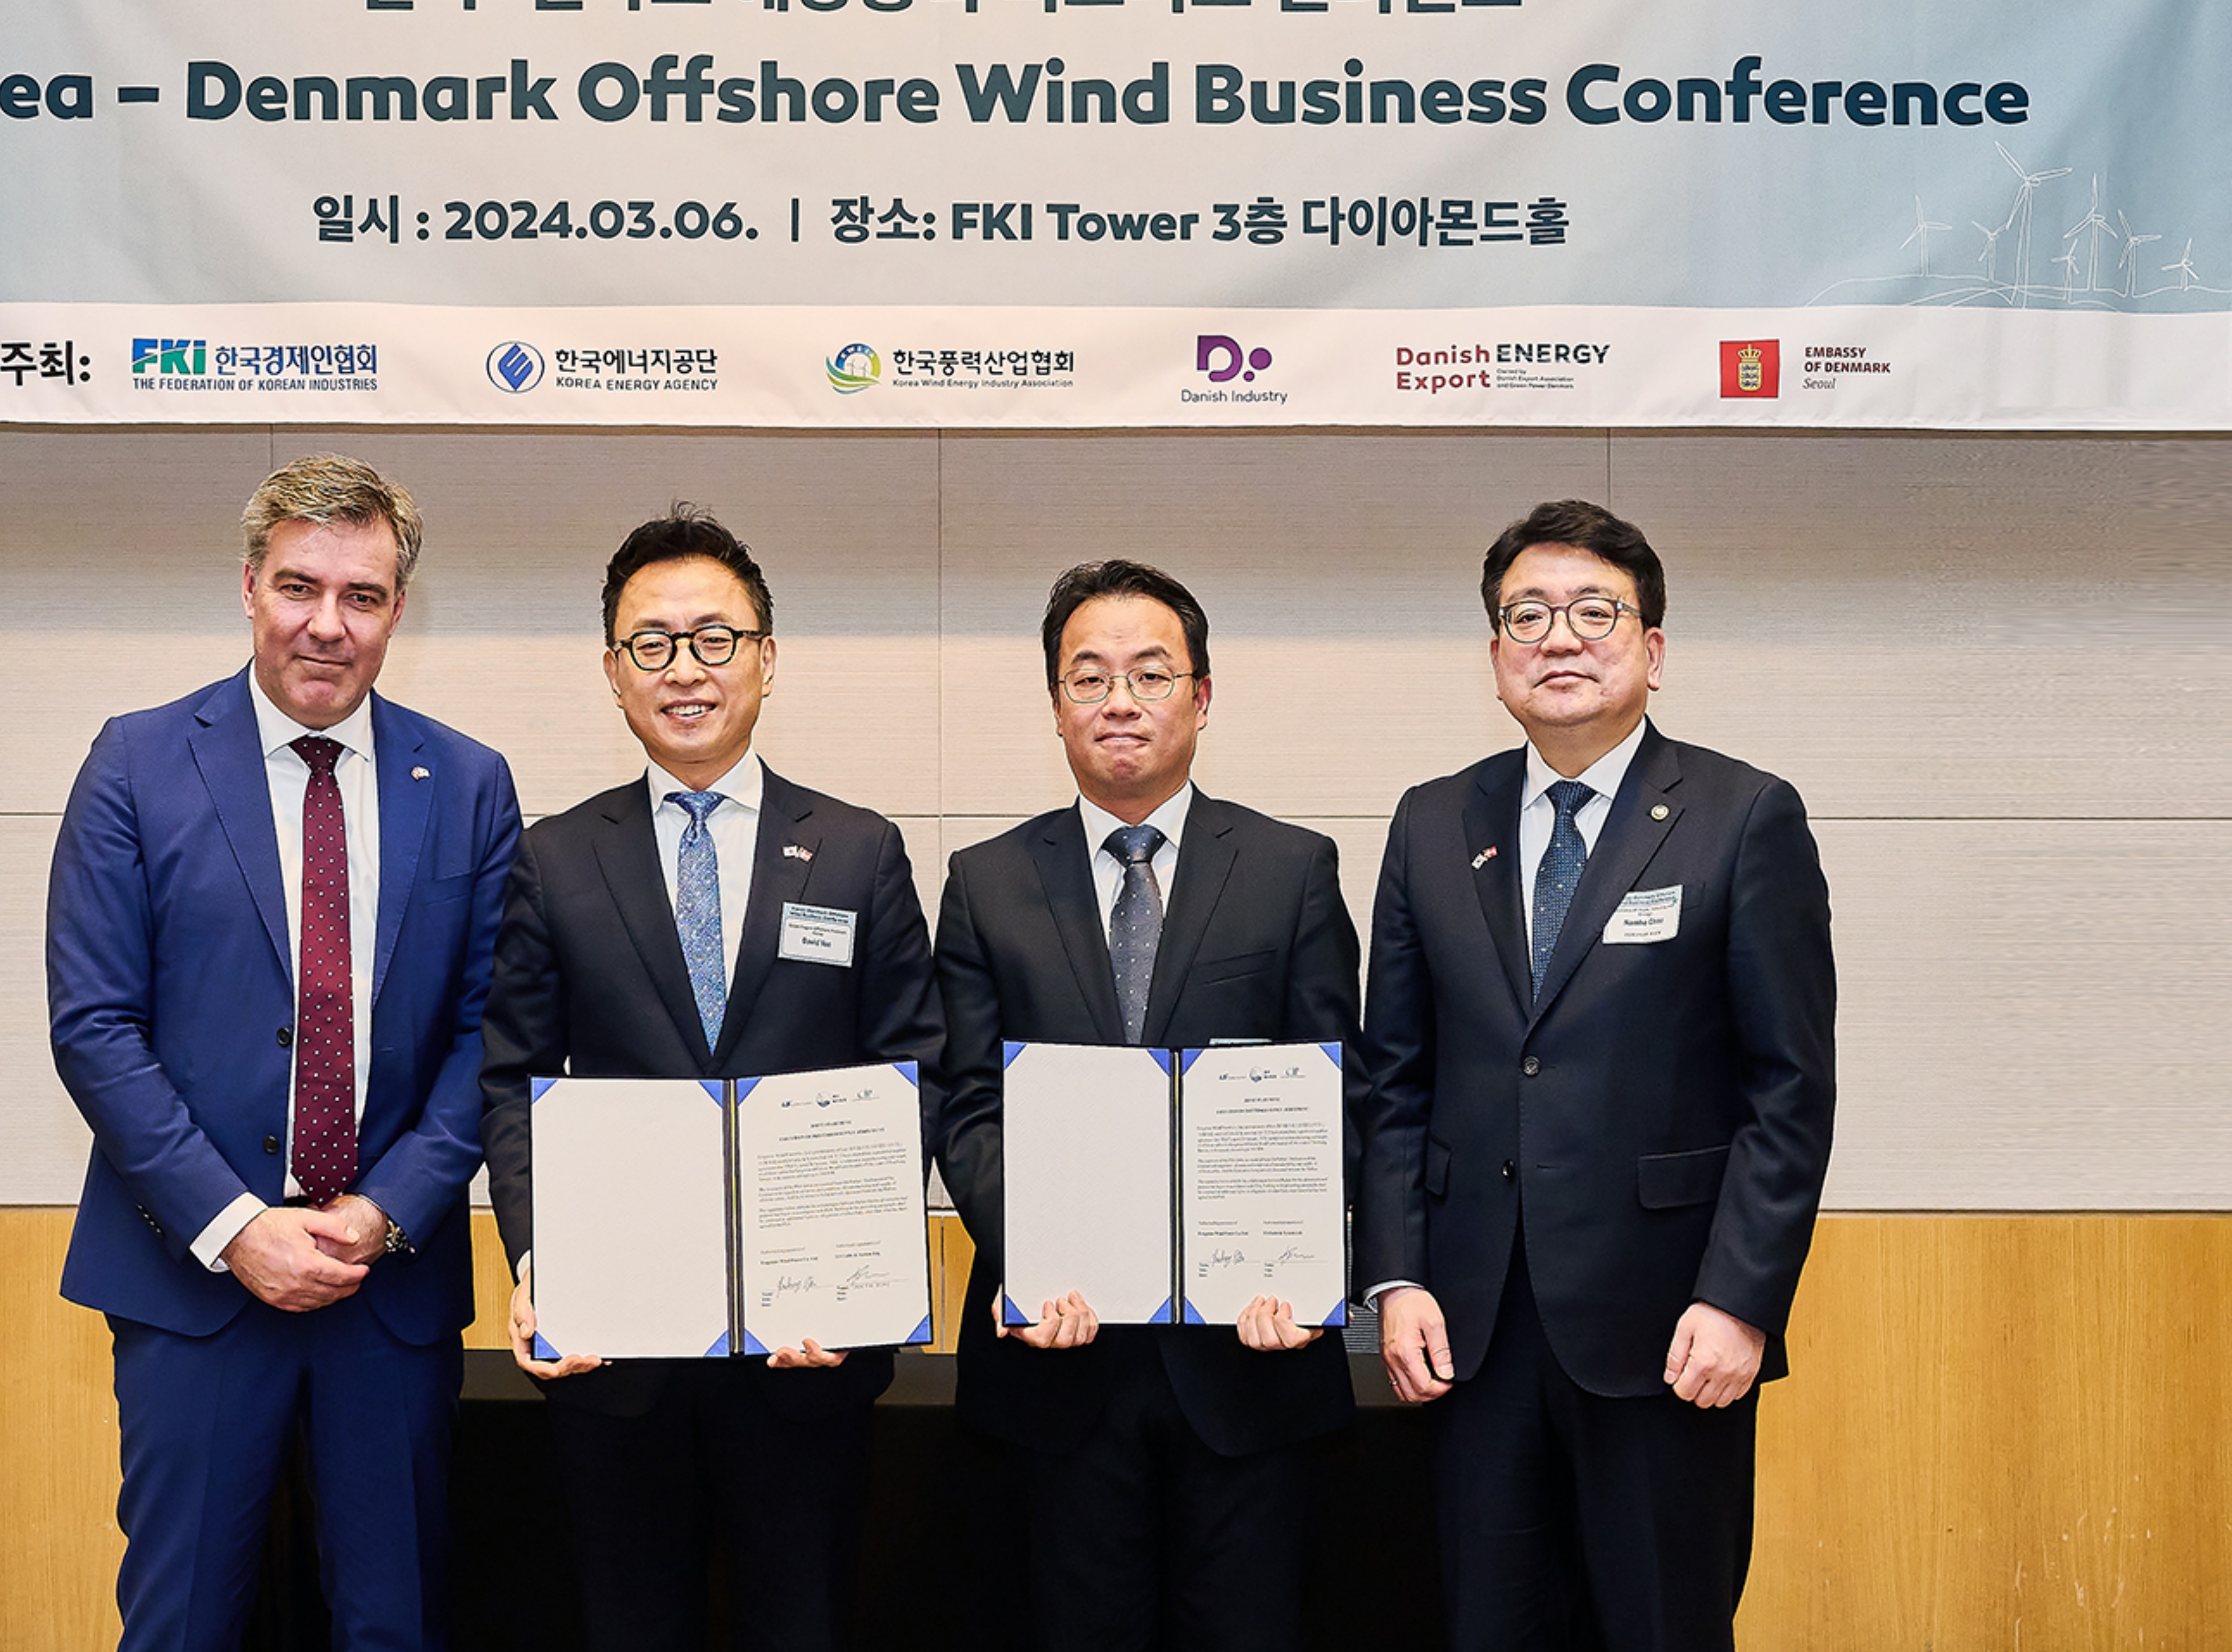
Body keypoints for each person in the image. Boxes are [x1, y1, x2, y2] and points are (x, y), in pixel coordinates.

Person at [47, 454, 522, 1651]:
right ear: (249, 586)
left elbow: (492, 1032)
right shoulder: (137, 762)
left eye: (362, 595)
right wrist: (236, 1225)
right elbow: (95, 1024)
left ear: (398, 610)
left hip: (384, 1282)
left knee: (395, 1621)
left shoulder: (468, 783)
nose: (327, 624)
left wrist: (387, 1209)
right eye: (300, 586)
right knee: (184, 1623)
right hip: (193, 1277)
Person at [1362, 498, 1837, 1650]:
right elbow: (1393, 1079)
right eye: (1527, 615)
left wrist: (1739, 1299)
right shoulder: (1433, 822)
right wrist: (1395, 1276)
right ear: (1496, 657)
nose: (1559, 638)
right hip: (1471, 1329)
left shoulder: (1742, 816)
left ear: (1652, 650)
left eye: (1594, 612)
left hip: (1668, 1327)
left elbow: (1788, 1088)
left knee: (1661, 1625)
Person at [478, 504, 944, 1652]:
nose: (684, 669)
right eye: (651, 643)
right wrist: (542, 1261)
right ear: (613, 672)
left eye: (713, 638)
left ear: (766, 659)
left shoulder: (858, 849)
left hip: (807, 1347)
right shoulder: (554, 857)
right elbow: (513, 1078)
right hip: (616, 1347)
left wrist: (860, 1268)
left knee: (804, 1622)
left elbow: (915, 1068)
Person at [924, 558, 1365, 1652]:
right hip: (1055, 1358)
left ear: (1200, 697)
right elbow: (965, 1105)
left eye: (1150, 674)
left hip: (1249, 1358)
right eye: (1089, 677)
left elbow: (1340, 1094)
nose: (1119, 700)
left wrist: (1301, 1258)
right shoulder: (984, 882)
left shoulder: (1291, 868)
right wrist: (1028, 1254)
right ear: (1055, 705)